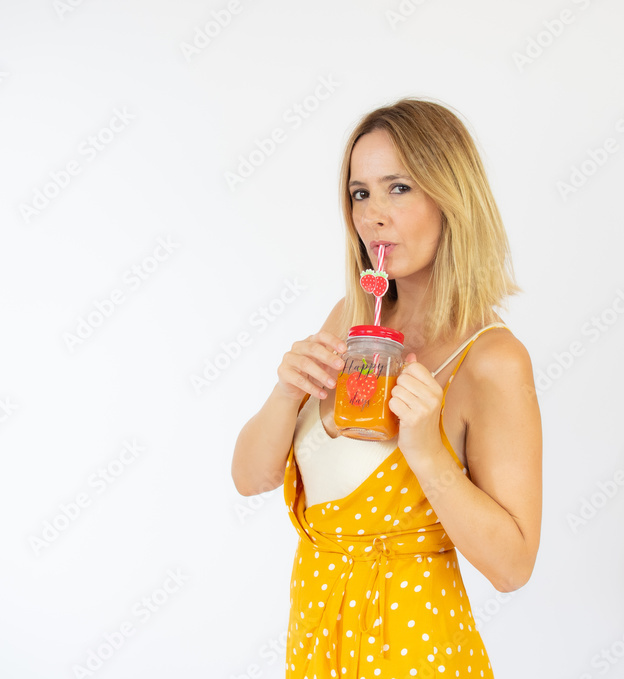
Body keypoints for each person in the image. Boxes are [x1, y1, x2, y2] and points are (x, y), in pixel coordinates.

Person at [232, 97, 542, 678]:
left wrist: (426, 452)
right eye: (360, 193)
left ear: (451, 196)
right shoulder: (347, 320)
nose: (374, 214)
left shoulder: (492, 359)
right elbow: (251, 478)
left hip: (413, 651)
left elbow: (513, 567)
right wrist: (284, 394)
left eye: (398, 188)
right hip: (318, 642)